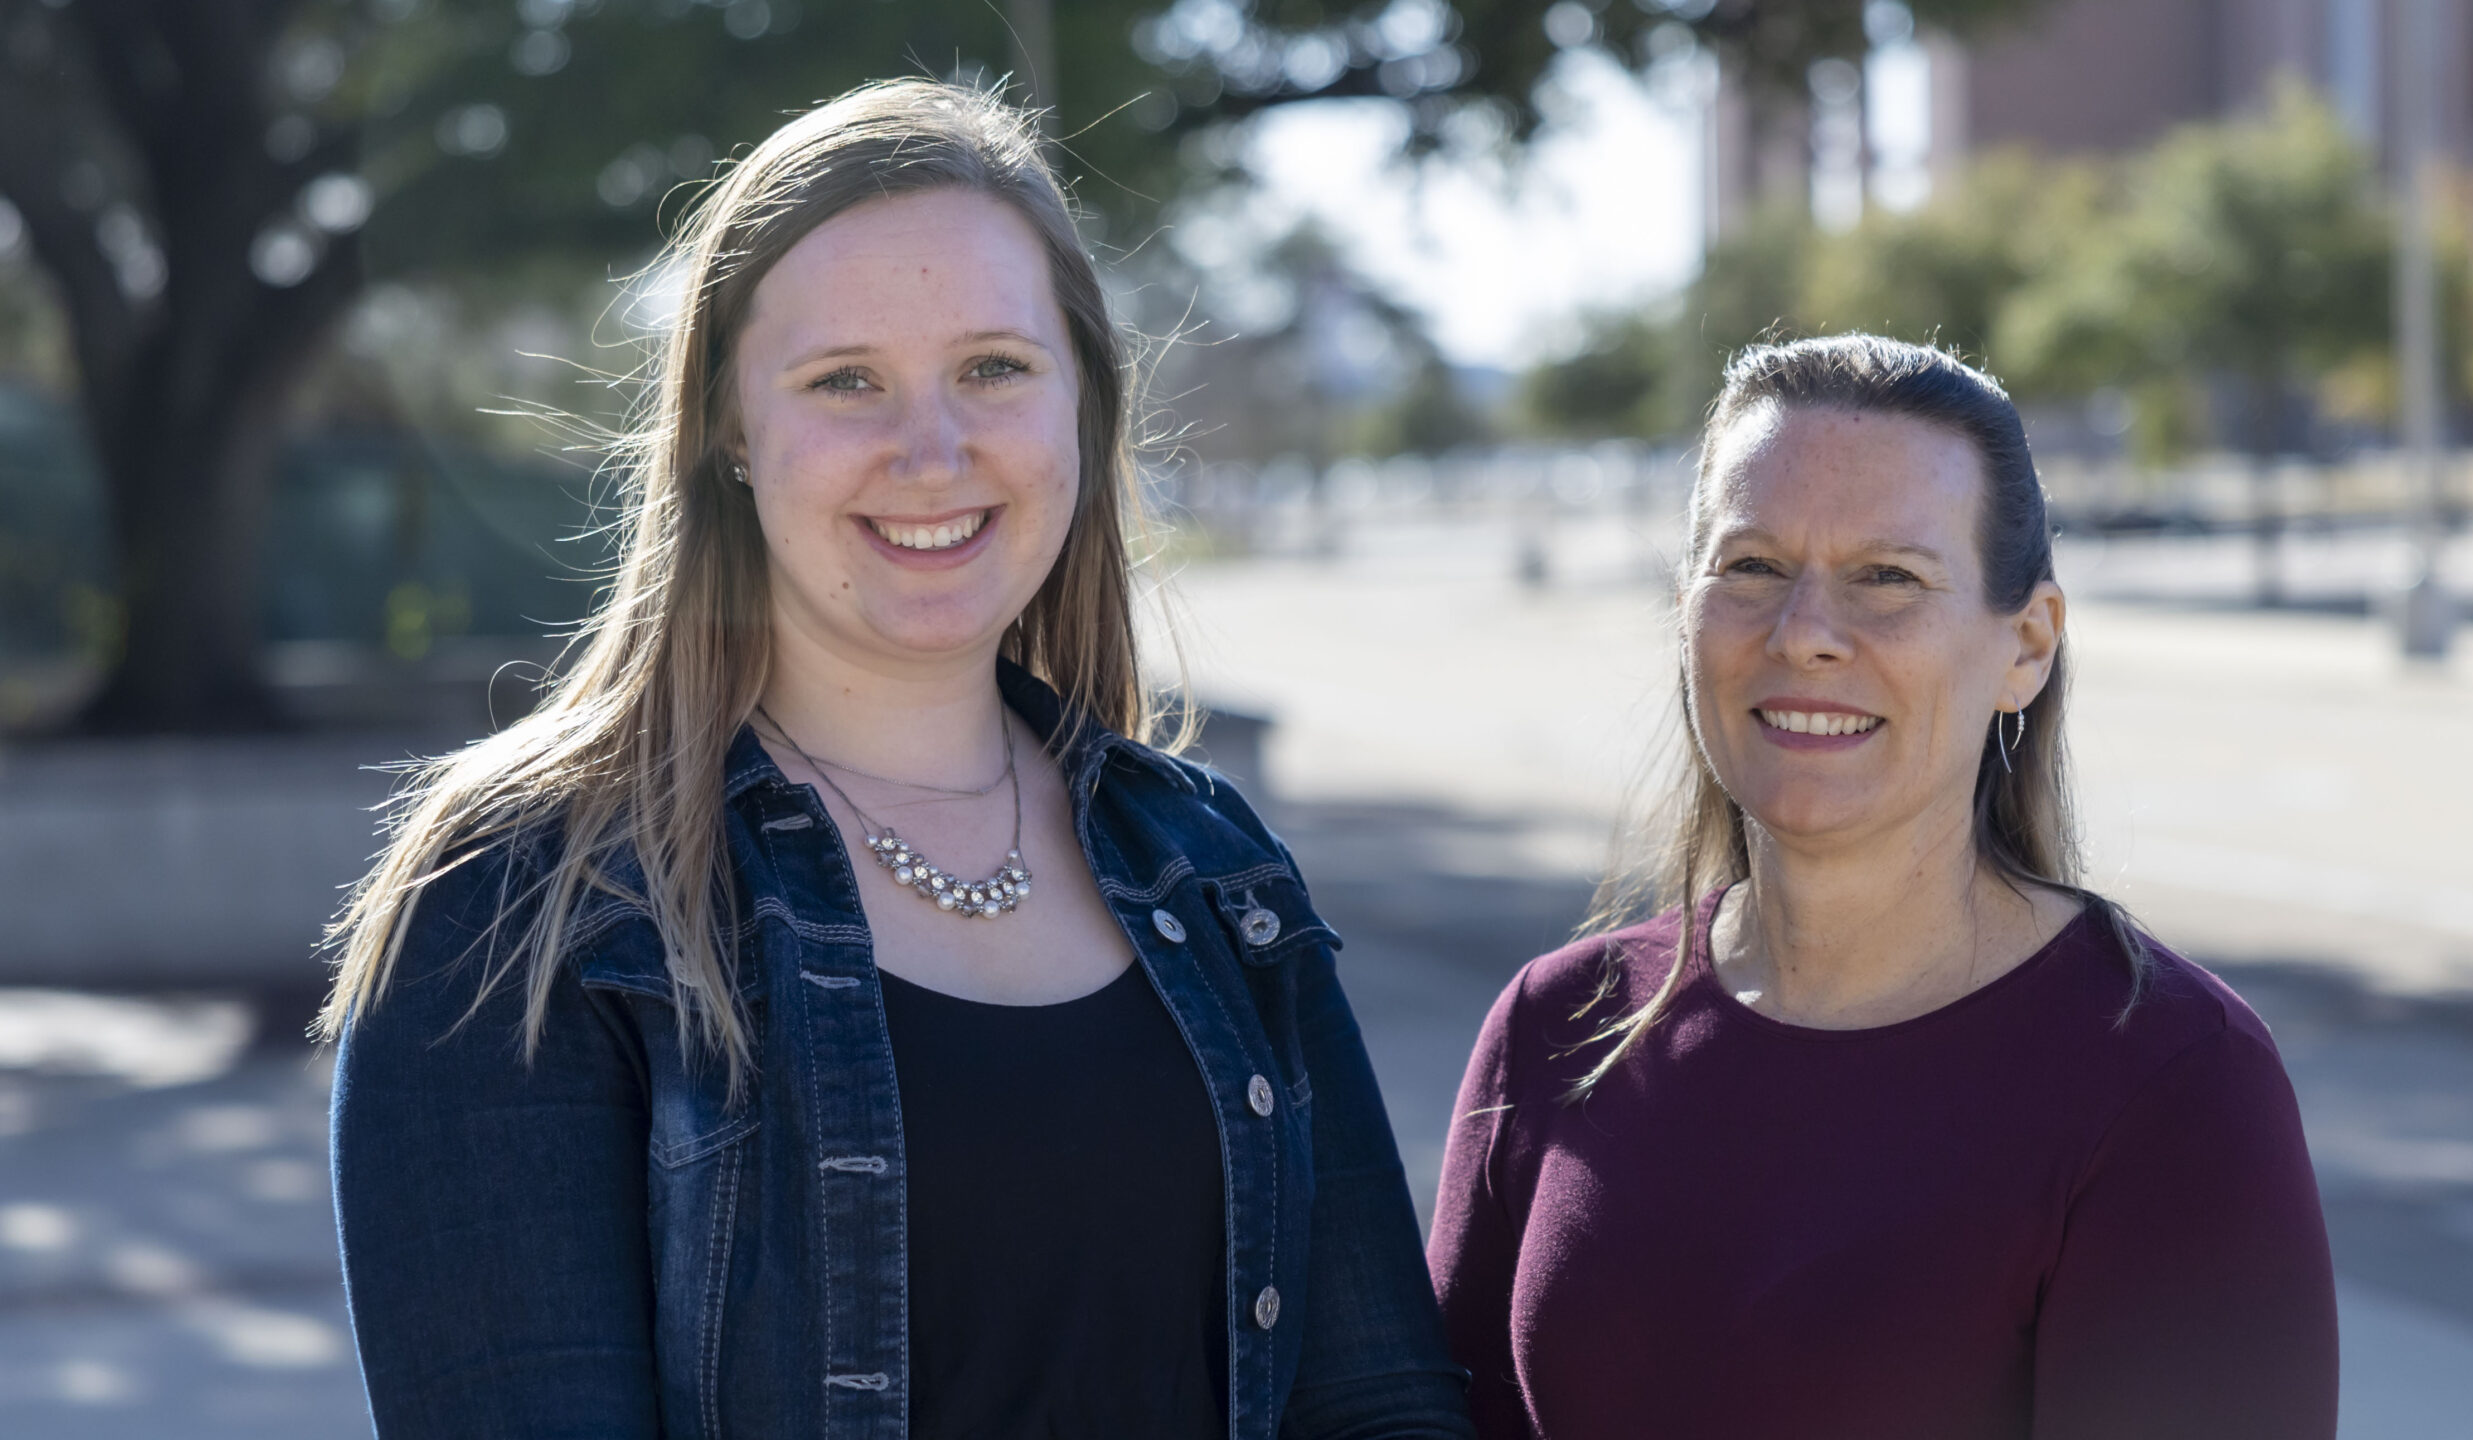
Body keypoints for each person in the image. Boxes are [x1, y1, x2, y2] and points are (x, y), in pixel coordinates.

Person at [322, 79, 1468, 1440]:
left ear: (1080, 412)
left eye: (993, 367)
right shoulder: (523, 904)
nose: (931, 449)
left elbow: (1377, 1405)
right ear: (731, 437)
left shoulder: (1217, 871)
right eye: (845, 380)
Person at [1427, 335, 2337, 1440]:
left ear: (2027, 646)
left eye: (1888, 579)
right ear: (1685, 610)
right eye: (1751, 566)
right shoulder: (1554, 1027)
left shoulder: (2171, 1087)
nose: (1804, 633)